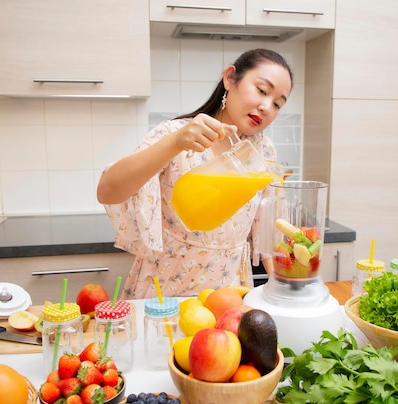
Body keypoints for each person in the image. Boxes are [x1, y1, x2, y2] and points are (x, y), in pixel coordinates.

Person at [97, 48, 293, 299]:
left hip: (228, 297)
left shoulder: (263, 150)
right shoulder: (177, 134)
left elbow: (269, 236)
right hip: (164, 294)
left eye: (277, 104)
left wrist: (284, 294)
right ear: (230, 78)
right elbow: (107, 191)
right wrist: (176, 142)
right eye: (262, 91)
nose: (266, 106)